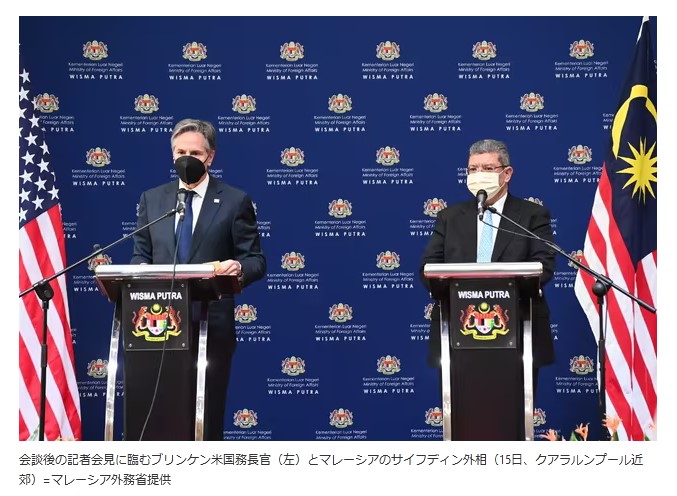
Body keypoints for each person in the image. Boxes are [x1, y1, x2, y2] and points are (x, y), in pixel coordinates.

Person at [131, 118, 266, 440]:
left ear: (210, 156)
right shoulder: (153, 199)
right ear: (172, 154)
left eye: (195, 153)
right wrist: (140, 273)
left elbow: (256, 260)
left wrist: (238, 268)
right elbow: (140, 255)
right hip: (157, 323)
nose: (187, 159)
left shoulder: (234, 200)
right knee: (160, 417)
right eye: (181, 152)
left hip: (211, 324)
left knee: (205, 415)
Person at [420, 138, 555, 440]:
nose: (478, 174)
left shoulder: (531, 215)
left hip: (517, 333)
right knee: (464, 424)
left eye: (487, 168)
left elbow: (543, 267)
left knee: (510, 424)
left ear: (507, 173)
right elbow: (428, 267)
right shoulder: (450, 217)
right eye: (473, 169)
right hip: (457, 334)